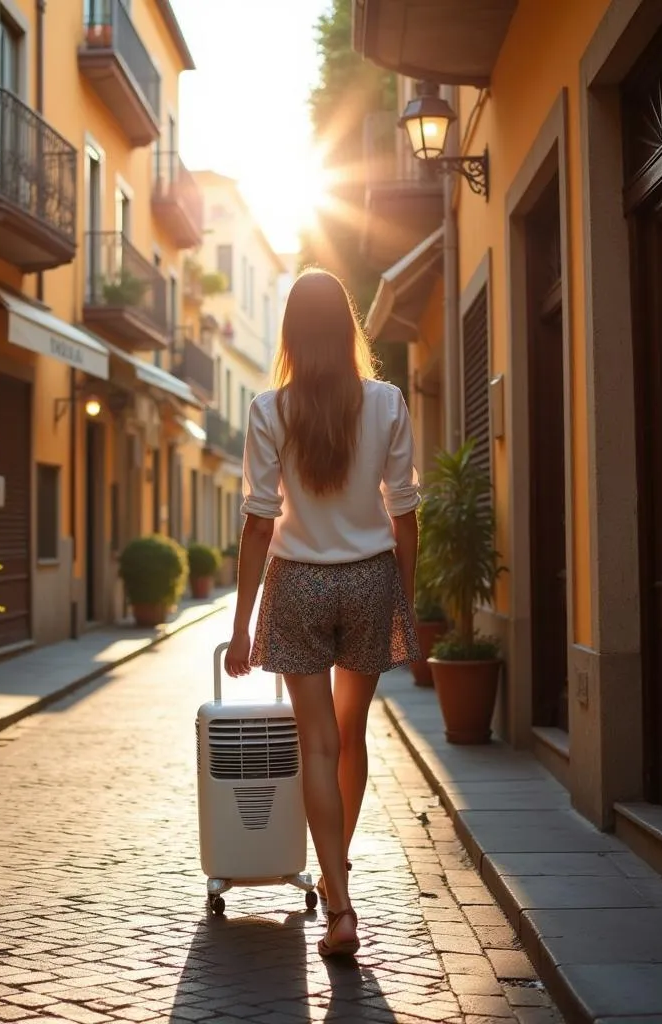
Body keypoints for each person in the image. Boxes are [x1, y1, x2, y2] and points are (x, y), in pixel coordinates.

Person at [224, 268, 421, 959]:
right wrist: (407, 597)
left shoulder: (267, 410)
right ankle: (339, 883)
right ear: (347, 328)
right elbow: (405, 514)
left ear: (288, 334)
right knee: (352, 736)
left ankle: (337, 898)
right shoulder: (388, 402)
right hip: (369, 581)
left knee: (317, 745)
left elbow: (257, 523)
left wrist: (242, 623)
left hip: (299, 583)